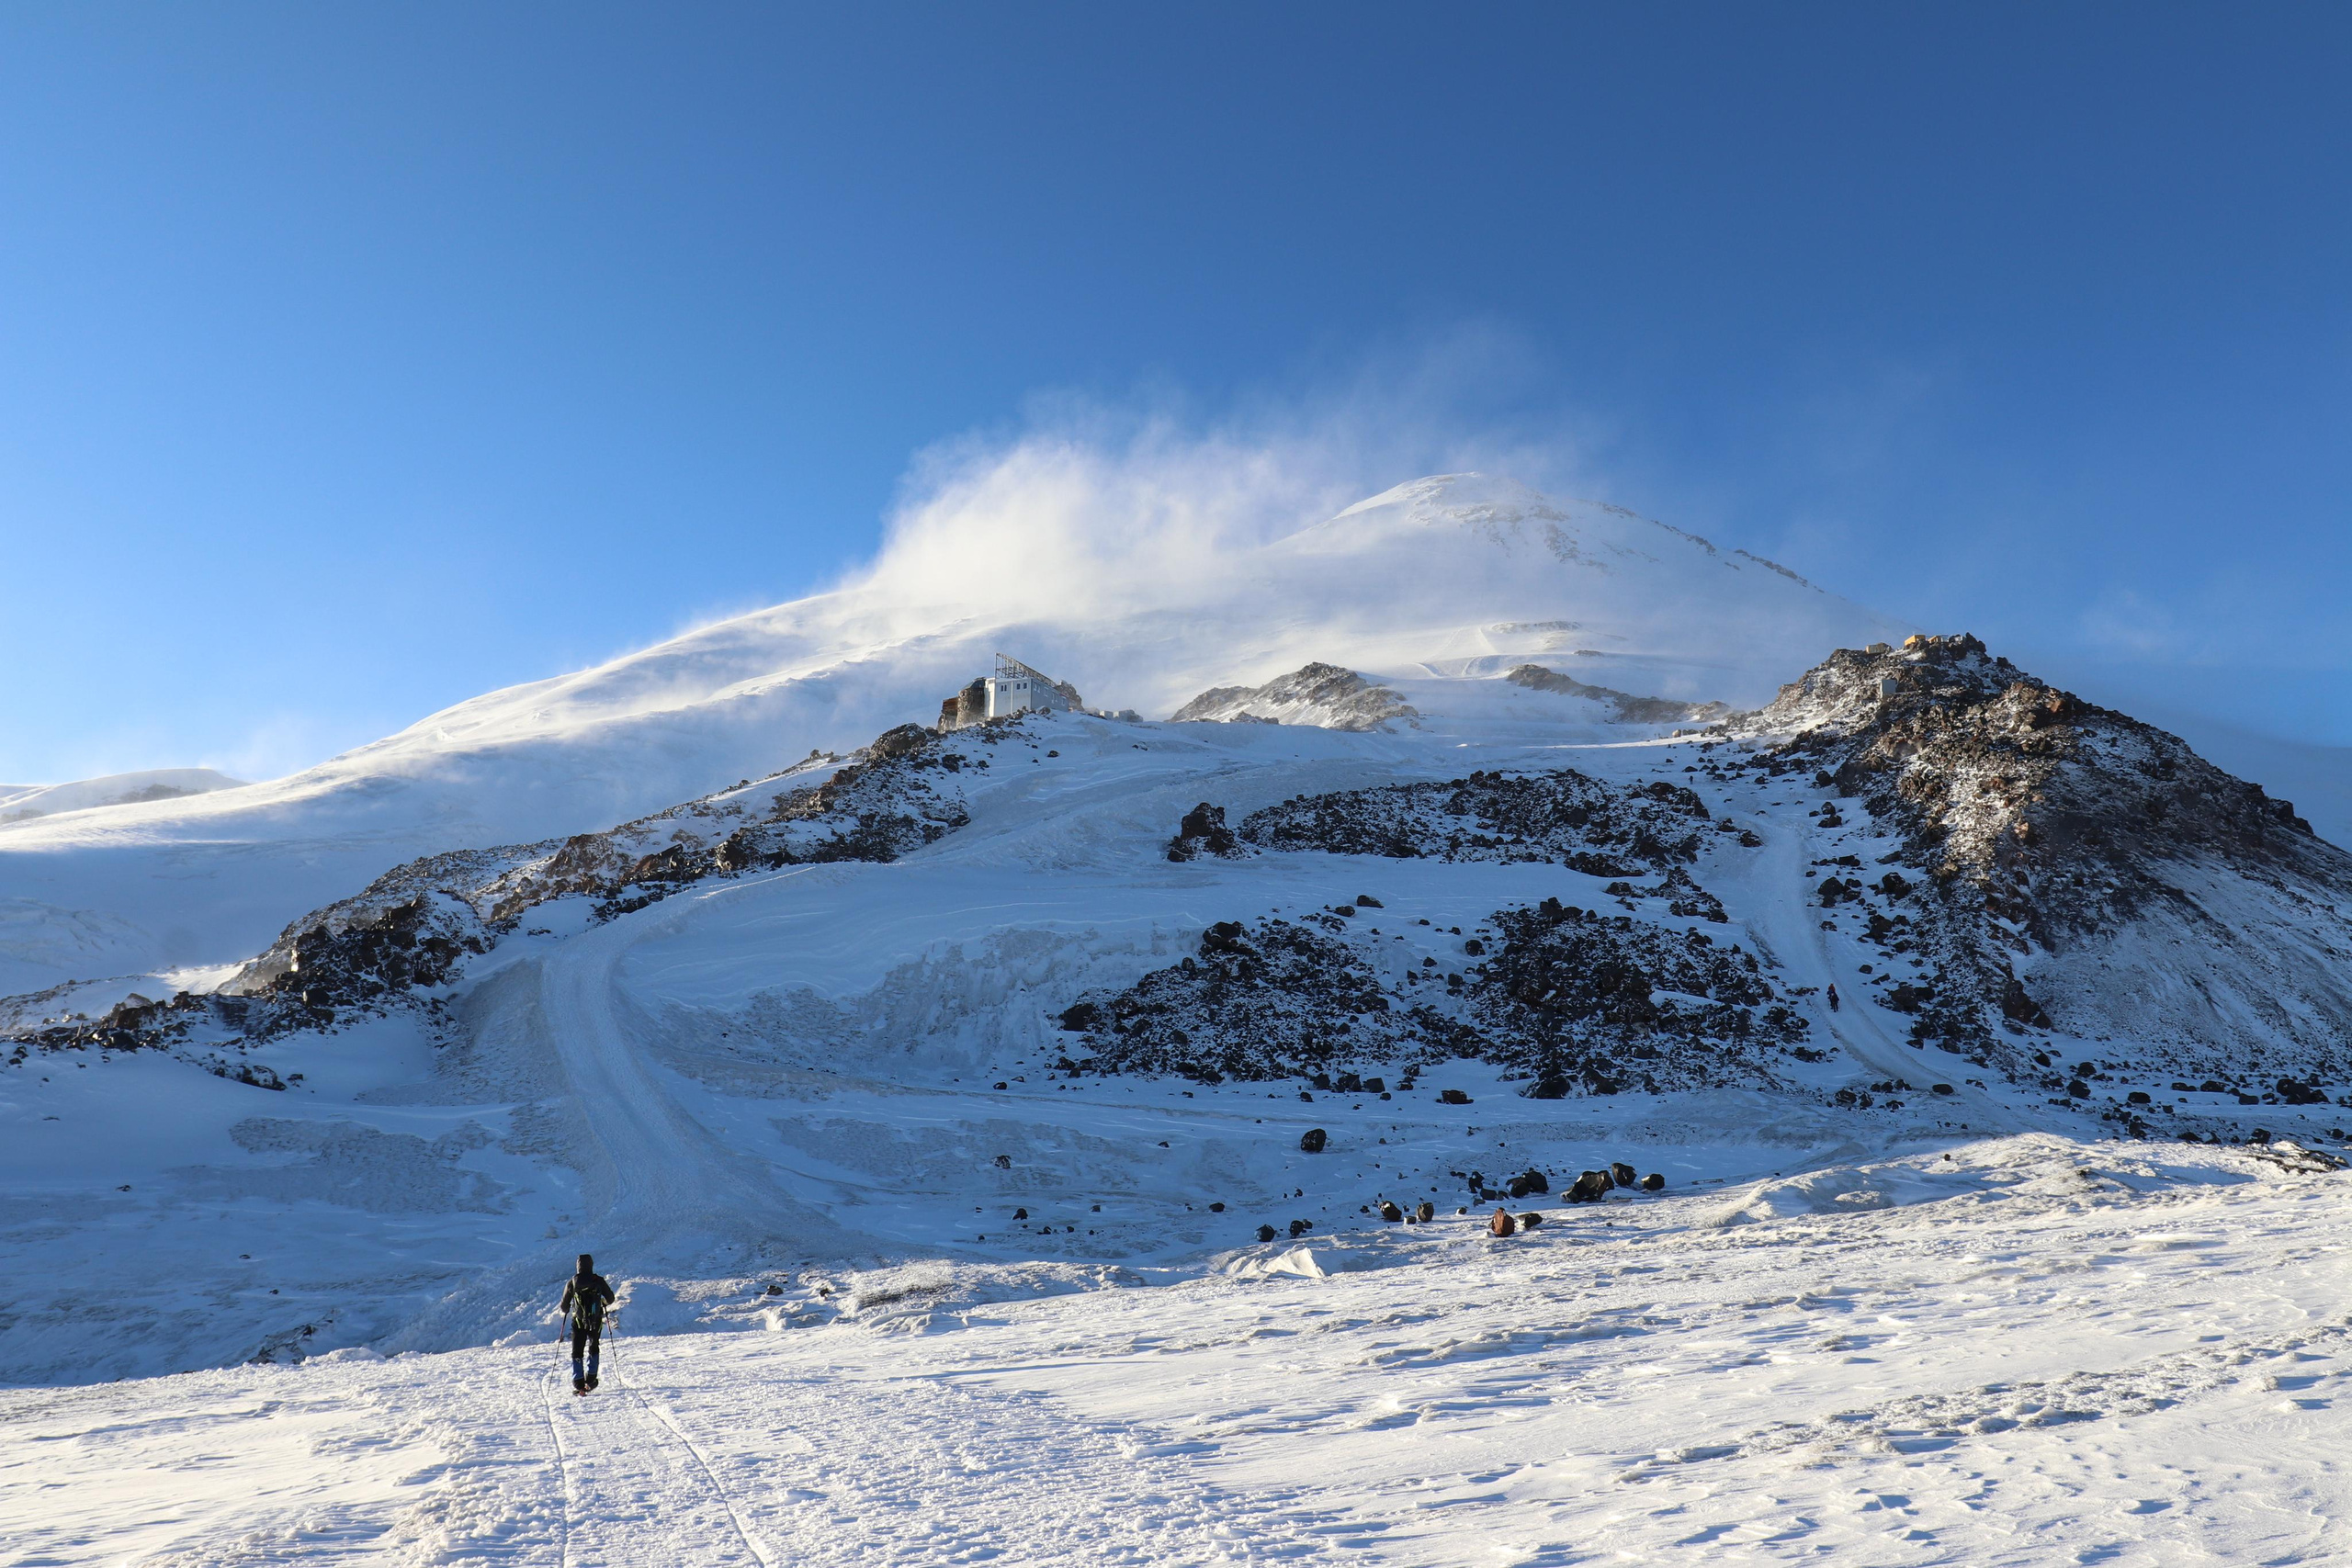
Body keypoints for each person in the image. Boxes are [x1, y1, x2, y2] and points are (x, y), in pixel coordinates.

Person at [560, 1253, 616, 1394]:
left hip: (578, 1321)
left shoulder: (572, 1282)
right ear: (591, 1265)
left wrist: (570, 1306)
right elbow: (610, 1299)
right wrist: (602, 1303)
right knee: (593, 1346)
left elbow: (564, 1307)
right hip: (595, 1320)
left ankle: (578, 1382)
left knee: (577, 1350)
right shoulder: (598, 1280)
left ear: (578, 1266)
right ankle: (591, 1379)